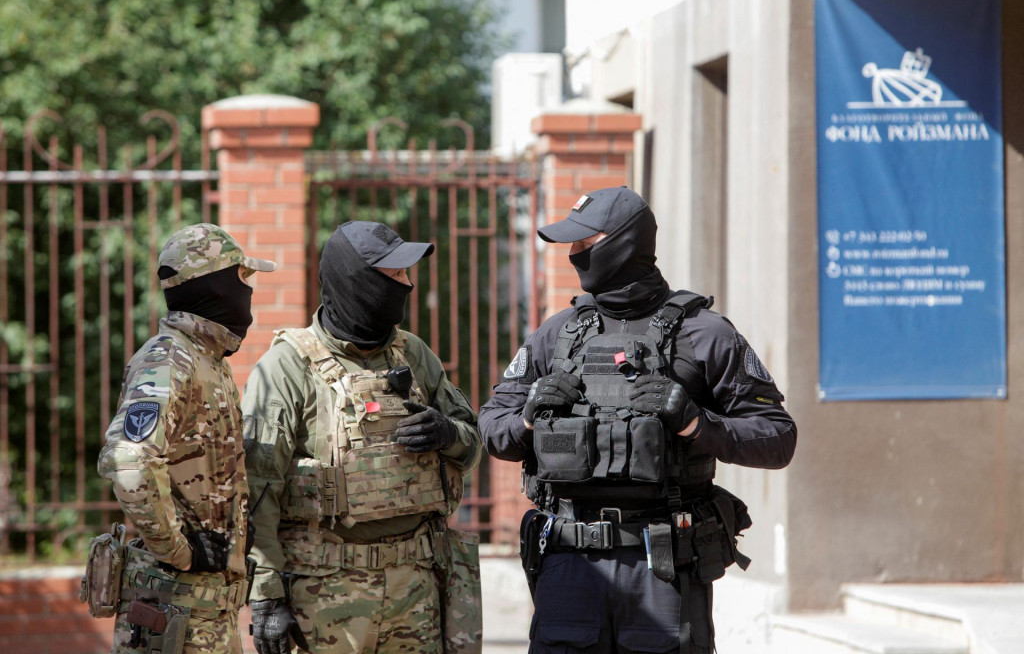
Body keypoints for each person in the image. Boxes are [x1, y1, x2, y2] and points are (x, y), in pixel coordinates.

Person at [479, 186, 797, 654]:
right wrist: (527, 419)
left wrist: (697, 423)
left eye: (585, 244)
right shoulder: (557, 335)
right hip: (569, 566)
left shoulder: (705, 334)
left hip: (663, 566)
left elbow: (778, 437)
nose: (573, 255)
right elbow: (492, 428)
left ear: (625, 242)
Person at [242, 221, 484, 654]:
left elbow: (472, 445)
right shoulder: (286, 367)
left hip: (416, 590)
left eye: (406, 275)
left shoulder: (414, 354)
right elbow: (258, 489)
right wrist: (266, 595)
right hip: (325, 597)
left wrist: (447, 434)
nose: (406, 285)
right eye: (392, 276)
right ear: (354, 279)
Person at [96, 223, 276, 654]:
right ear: (213, 287)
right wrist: (179, 550)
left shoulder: (206, 359)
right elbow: (129, 459)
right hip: (175, 612)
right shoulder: (168, 360)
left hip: (205, 612)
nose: (247, 291)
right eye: (241, 277)